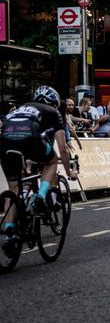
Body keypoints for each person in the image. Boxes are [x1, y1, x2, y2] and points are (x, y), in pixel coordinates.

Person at [0, 86, 78, 256]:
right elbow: (63, 149)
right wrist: (69, 171)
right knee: (51, 161)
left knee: (14, 189)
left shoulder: (20, 107)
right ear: (55, 102)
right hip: (30, 138)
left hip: (5, 141)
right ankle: (41, 197)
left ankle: (9, 232)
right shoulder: (53, 111)